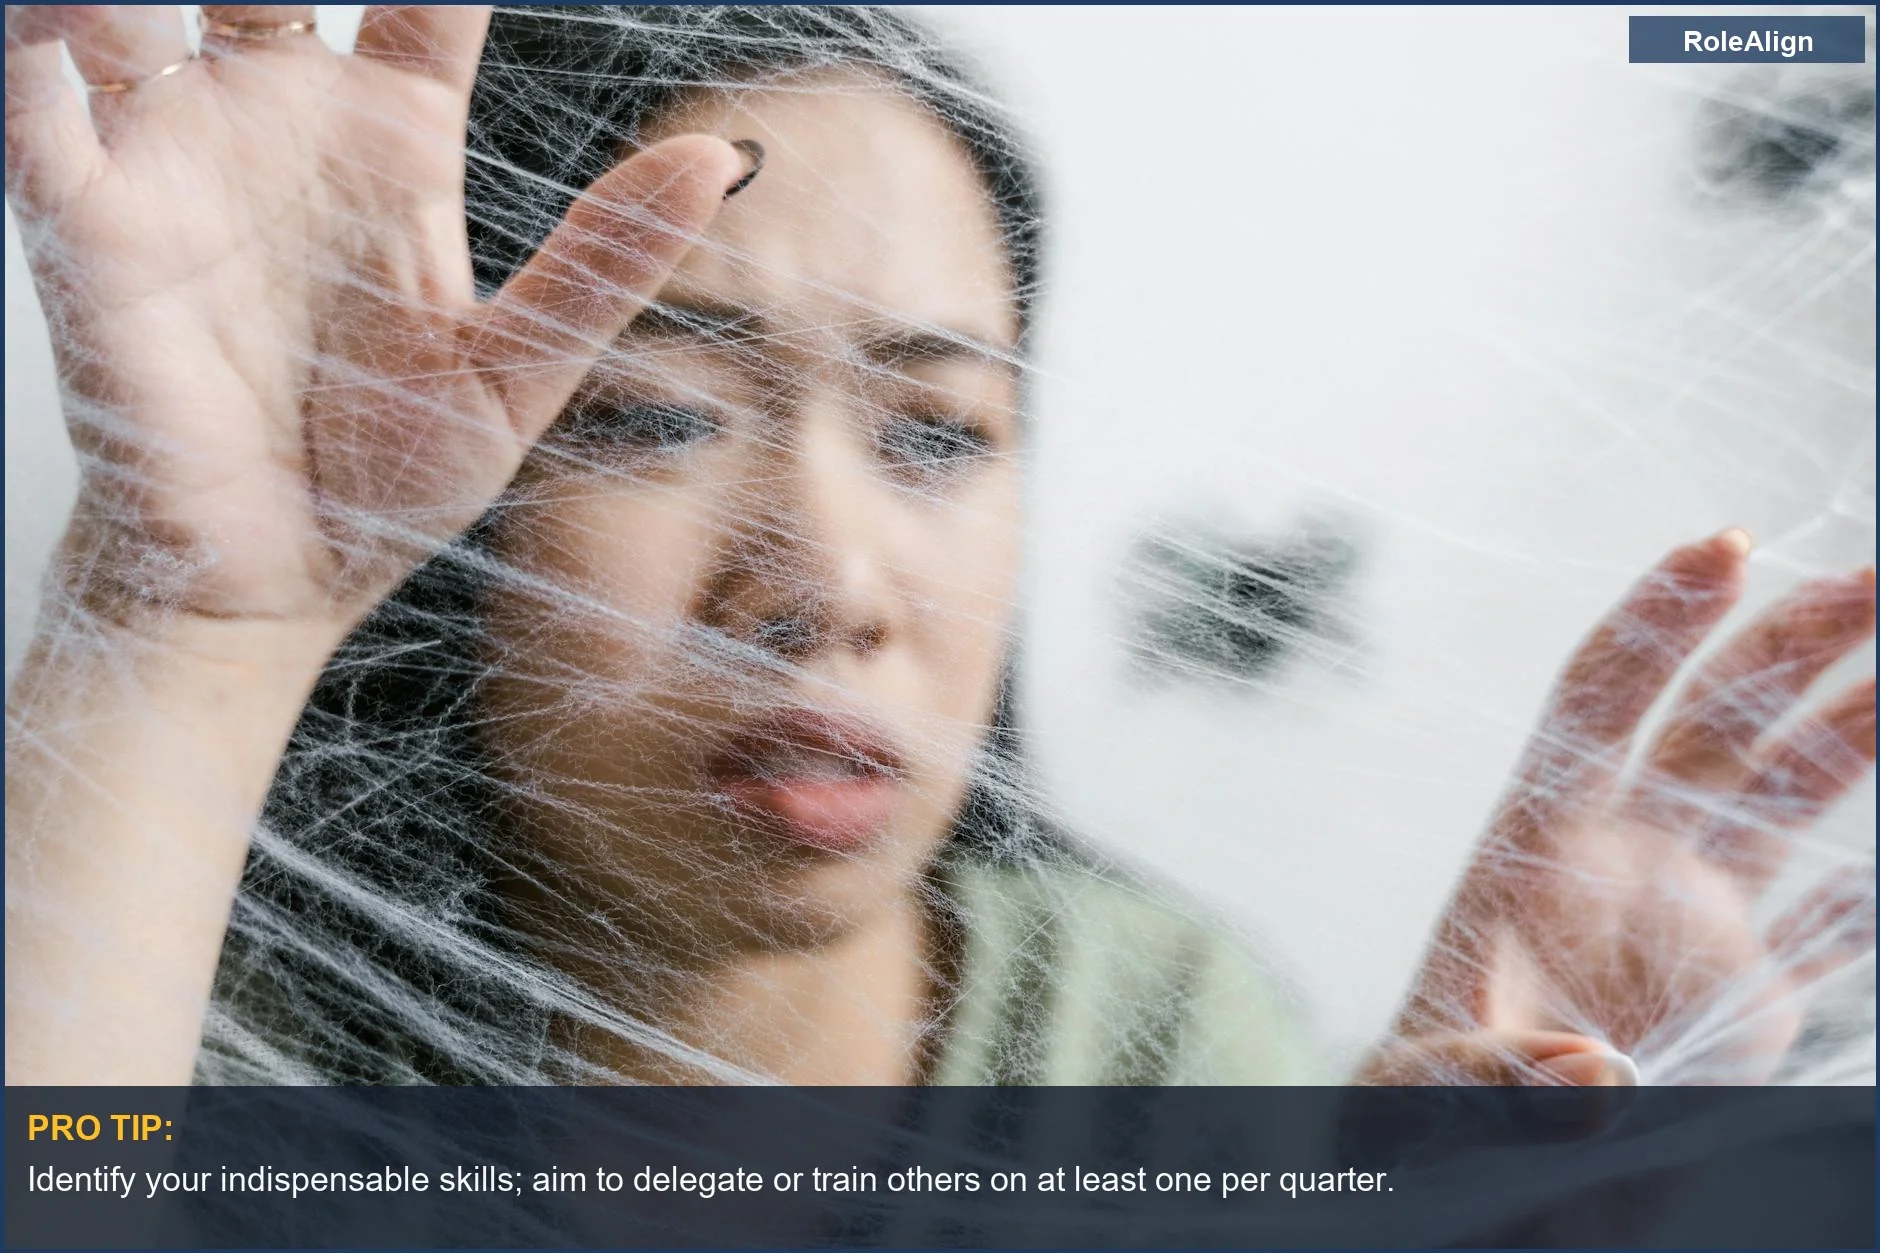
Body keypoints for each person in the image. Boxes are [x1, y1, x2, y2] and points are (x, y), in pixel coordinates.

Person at [5, 4, 1874, 1088]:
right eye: (652, 416)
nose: (827, 586)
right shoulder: (185, 1050)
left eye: (937, 435)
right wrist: (188, 627)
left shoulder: (1142, 1046)